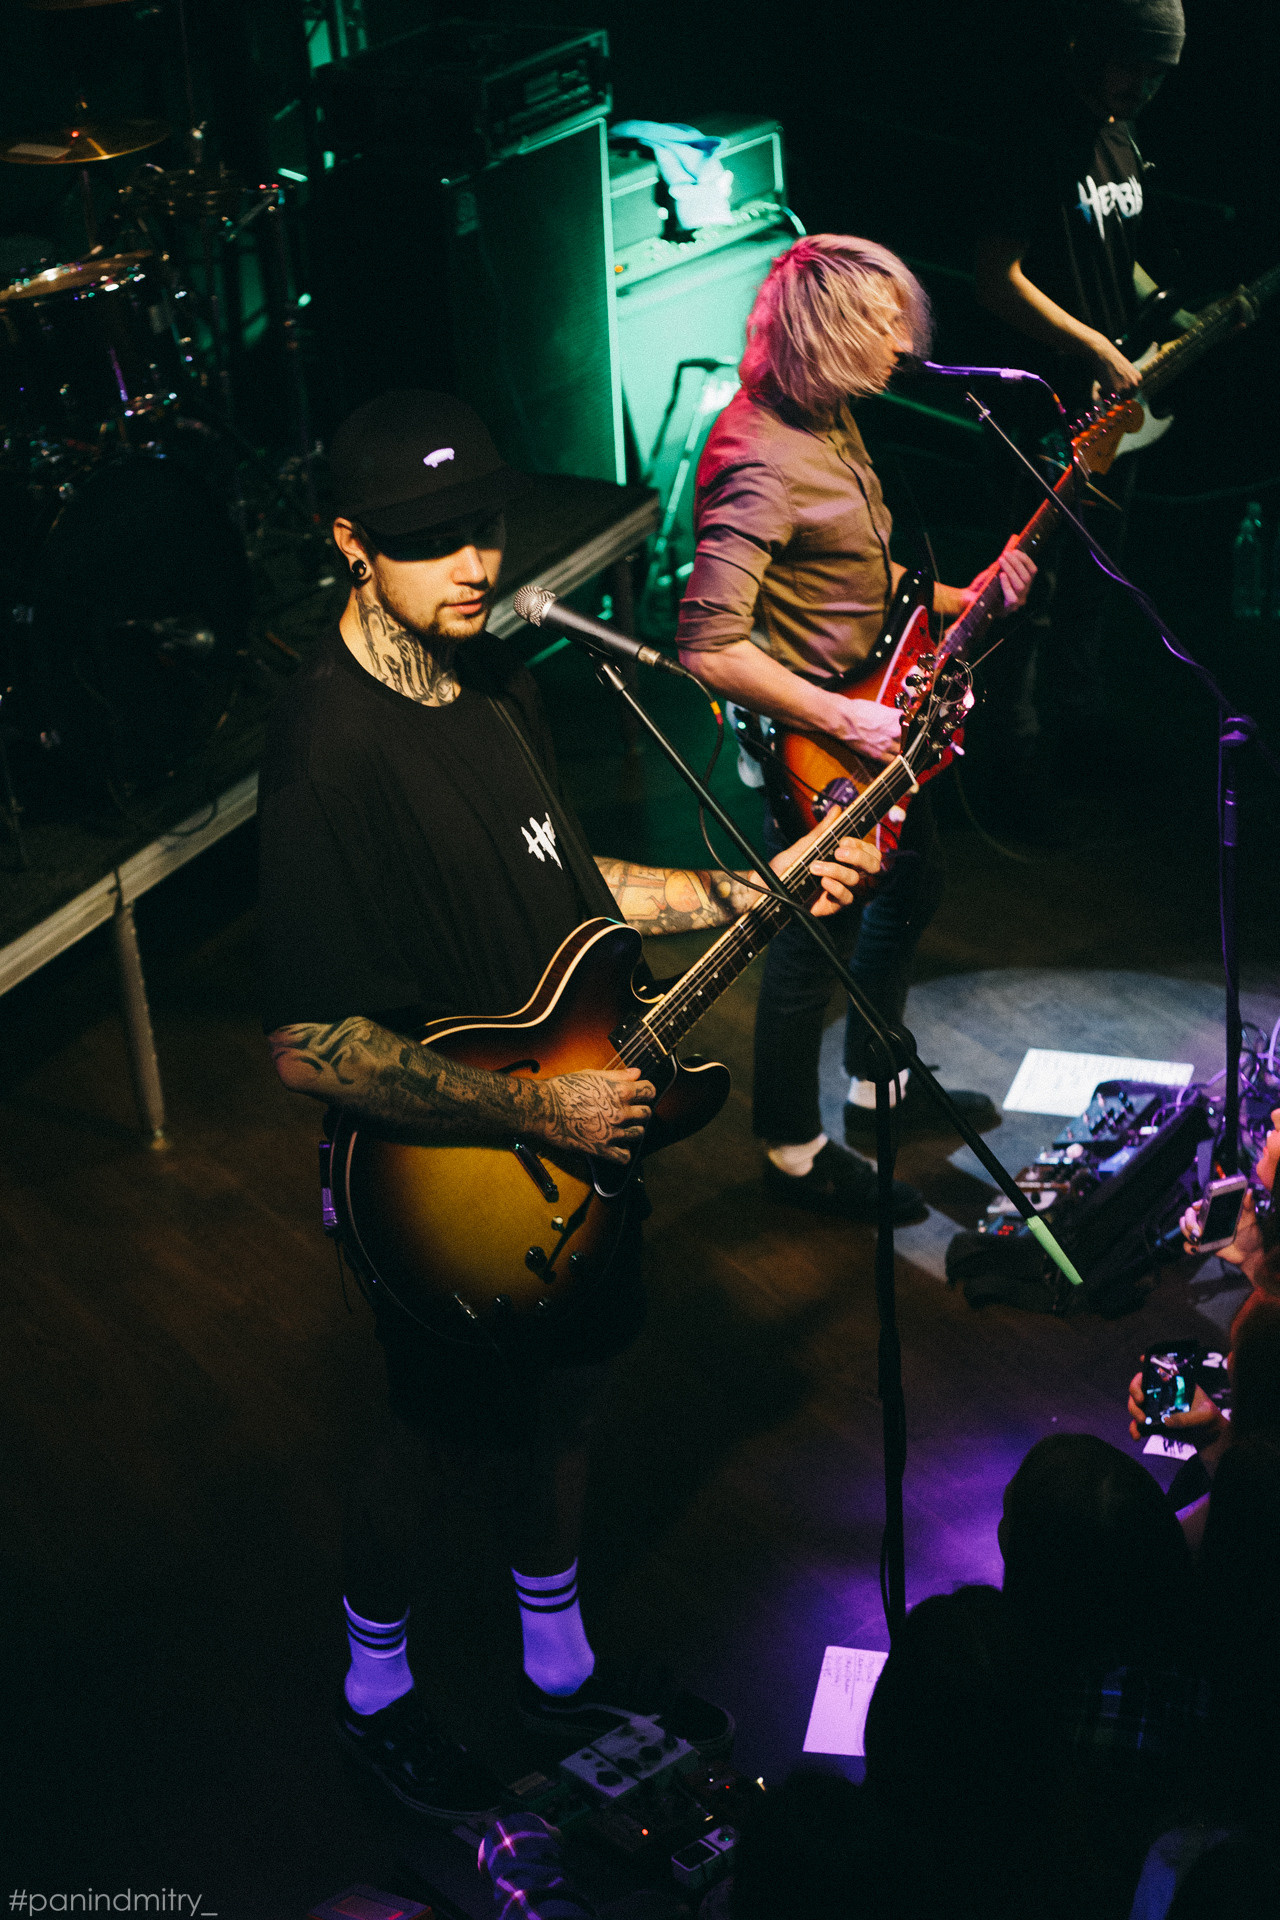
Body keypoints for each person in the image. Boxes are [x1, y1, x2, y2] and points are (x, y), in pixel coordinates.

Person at [256, 389, 881, 1820]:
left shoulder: (503, 681)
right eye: (427, 544)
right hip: (442, 1187)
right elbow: (309, 1044)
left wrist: (746, 890)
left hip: (581, 1132)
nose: (472, 565)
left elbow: (580, 894)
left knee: (578, 1396)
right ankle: (377, 1691)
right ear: (351, 546)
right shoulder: (324, 753)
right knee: (434, 1439)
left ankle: (554, 1659)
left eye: (479, 530)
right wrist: (535, 1120)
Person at [675, 235, 1035, 1212]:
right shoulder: (756, 457)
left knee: (911, 883)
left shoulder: (831, 416)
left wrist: (970, 596)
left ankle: (879, 1084)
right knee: (806, 940)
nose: (901, 339)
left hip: (875, 714)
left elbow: (859, 579)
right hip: (821, 741)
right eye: (878, 321)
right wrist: (844, 717)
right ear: (824, 332)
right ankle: (790, 1149)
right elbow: (706, 645)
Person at [971, 0, 1191, 804]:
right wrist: (1093, 346)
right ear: (1092, 49)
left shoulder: (1120, 139)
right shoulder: (1037, 140)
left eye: (1161, 73)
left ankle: (1077, 741)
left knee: (1096, 584)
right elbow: (996, 274)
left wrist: (1173, 318)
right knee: (1031, 595)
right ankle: (1015, 768)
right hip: (1040, 416)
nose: (1145, 85)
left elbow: (1115, 255)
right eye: (1134, 65)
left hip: (1111, 417)